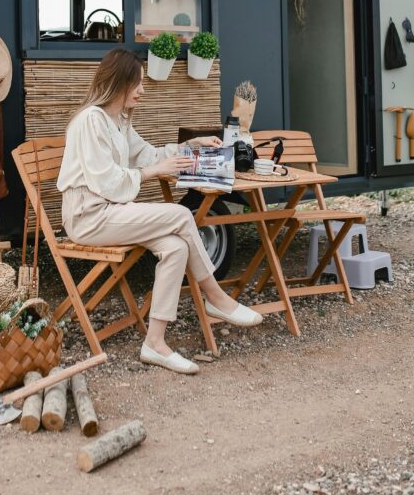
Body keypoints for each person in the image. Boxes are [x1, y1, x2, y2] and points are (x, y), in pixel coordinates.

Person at [57, 48, 262, 375]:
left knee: (176, 246)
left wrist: (189, 147)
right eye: (136, 83)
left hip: (113, 212)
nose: (142, 89)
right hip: (89, 217)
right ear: (119, 82)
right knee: (181, 215)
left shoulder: (118, 120)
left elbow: (149, 155)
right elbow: (108, 182)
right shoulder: (90, 122)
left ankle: (155, 343)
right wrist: (154, 172)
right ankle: (216, 298)